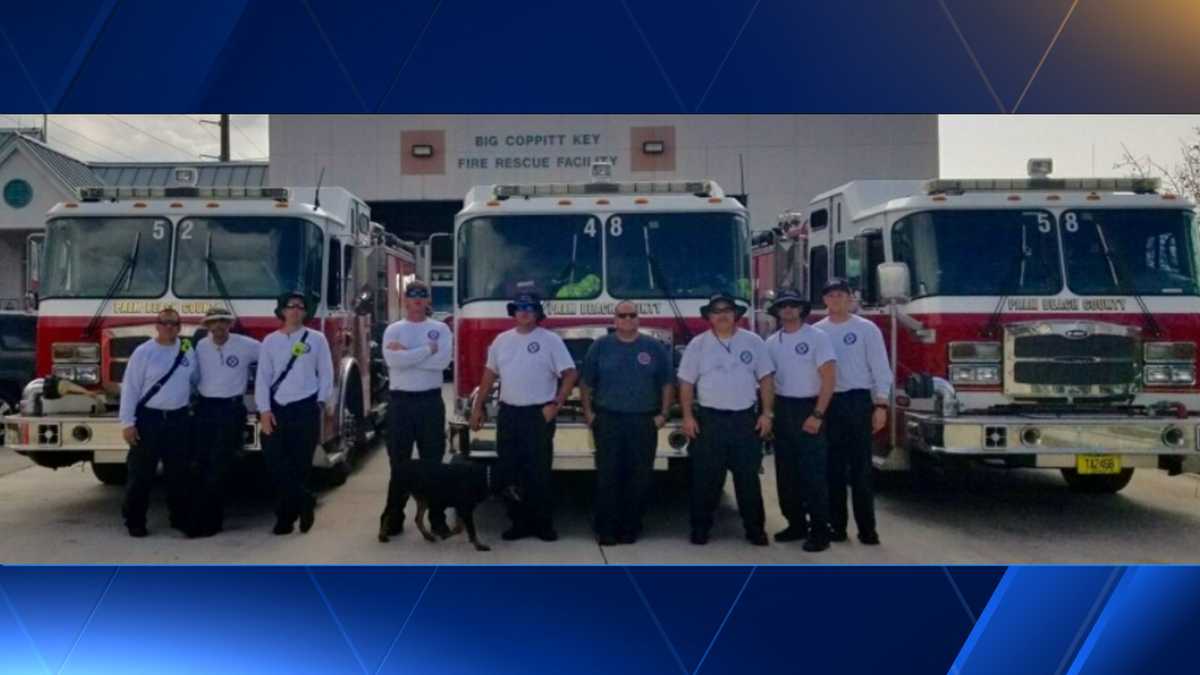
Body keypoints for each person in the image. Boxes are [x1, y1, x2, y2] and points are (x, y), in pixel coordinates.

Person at [469, 290, 577, 542]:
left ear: (537, 313)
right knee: (509, 472)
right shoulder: (501, 341)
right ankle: (518, 522)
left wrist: (556, 403)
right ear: (513, 312)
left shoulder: (550, 340)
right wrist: (477, 407)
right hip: (509, 413)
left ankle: (542, 524)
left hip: (538, 414)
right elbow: (489, 375)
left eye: (529, 308)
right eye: (519, 308)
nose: (524, 312)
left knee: (538, 472)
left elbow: (570, 373)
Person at [677, 293, 774, 546]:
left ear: (736, 315)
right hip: (710, 421)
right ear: (709, 316)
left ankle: (755, 530)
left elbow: (766, 379)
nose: (722, 315)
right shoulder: (698, 344)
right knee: (705, 481)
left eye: (727, 310)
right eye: (716, 311)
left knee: (748, 480)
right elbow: (686, 383)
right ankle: (700, 529)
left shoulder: (753, 342)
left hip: (745, 421)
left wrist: (766, 413)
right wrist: (687, 416)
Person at [580, 301, 673, 545]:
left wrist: (663, 414)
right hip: (609, 419)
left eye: (632, 315)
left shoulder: (653, 347)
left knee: (639, 477)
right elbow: (586, 383)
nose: (628, 319)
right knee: (608, 476)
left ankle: (631, 527)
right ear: (615, 319)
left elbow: (666, 383)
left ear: (638, 318)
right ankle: (606, 529)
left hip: (643, 420)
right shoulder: (600, 347)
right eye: (623, 315)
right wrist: (589, 413)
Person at [814, 278, 892, 546]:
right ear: (824, 300)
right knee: (832, 470)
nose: (836, 300)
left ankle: (867, 530)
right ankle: (837, 527)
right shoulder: (816, 331)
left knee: (861, 471)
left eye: (841, 295)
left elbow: (880, 367)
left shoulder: (866, 329)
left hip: (858, 402)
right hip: (829, 403)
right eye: (830, 295)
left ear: (850, 298)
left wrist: (881, 404)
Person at [378, 281, 453, 543]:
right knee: (399, 464)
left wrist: (408, 356)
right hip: (400, 404)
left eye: (423, 296)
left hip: (430, 403)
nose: (418, 300)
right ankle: (392, 519)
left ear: (428, 300)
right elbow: (392, 361)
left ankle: (437, 519)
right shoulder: (394, 329)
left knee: (433, 463)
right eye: (413, 296)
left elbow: (442, 363)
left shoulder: (440, 329)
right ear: (405, 300)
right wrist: (425, 352)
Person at [255, 291, 334, 536]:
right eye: (291, 306)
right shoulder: (270, 341)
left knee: (300, 466)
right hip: (277, 410)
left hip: (305, 408)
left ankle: (285, 520)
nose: (296, 310)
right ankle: (305, 501)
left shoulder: (317, 339)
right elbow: (263, 378)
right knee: (277, 464)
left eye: (300, 307)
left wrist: (320, 403)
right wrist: (264, 410)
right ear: (282, 311)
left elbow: (326, 373)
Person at [765, 288, 836, 552]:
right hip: (783, 409)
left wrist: (818, 414)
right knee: (786, 474)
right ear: (777, 311)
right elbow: (768, 382)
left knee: (814, 475)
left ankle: (820, 531)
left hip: (810, 406)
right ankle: (795, 524)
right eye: (783, 306)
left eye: (793, 305)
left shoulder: (818, 337)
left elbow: (829, 377)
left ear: (802, 310)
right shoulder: (771, 343)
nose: (788, 310)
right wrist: (769, 414)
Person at [118, 307, 199, 538]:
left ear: (180, 327)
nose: (169, 327)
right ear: (157, 325)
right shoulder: (143, 352)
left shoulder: (187, 351)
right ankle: (135, 521)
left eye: (174, 324)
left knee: (179, 475)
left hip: (178, 420)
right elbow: (130, 389)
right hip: (149, 420)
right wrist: (128, 423)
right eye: (165, 323)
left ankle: (180, 519)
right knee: (141, 475)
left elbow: (194, 381)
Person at [192, 307, 260, 537]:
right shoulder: (199, 346)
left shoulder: (246, 345)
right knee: (201, 463)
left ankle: (213, 521)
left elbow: (272, 360)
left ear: (230, 324)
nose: (219, 326)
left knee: (220, 463)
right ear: (207, 326)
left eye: (223, 321)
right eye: (213, 322)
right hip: (204, 408)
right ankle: (200, 516)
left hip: (231, 409)